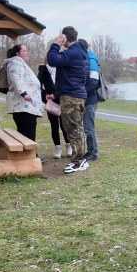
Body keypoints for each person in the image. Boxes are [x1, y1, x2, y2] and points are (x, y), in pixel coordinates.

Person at [47, 26, 90, 173]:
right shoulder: (81, 53)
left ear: (64, 37)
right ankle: (80, 160)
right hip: (77, 94)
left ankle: (78, 162)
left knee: (73, 129)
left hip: (71, 96)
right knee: (76, 128)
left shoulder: (73, 53)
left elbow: (51, 60)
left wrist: (56, 44)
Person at [4, 44, 43, 144]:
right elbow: (16, 79)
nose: (27, 52)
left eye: (27, 50)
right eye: (24, 51)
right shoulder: (16, 62)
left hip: (26, 105)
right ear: (17, 53)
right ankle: (29, 155)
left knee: (26, 130)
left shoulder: (20, 63)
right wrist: (24, 94)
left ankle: (29, 155)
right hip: (22, 105)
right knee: (27, 130)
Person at [37, 56, 67, 159]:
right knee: (54, 126)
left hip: (62, 100)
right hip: (51, 103)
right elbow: (38, 85)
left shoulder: (62, 68)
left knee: (65, 125)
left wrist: (57, 94)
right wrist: (45, 95)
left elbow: (66, 84)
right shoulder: (43, 69)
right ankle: (58, 148)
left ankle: (69, 146)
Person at [79, 39, 100, 161]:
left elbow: (93, 82)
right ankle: (89, 151)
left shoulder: (91, 61)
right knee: (86, 127)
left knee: (88, 127)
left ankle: (93, 152)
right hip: (85, 98)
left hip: (90, 100)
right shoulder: (85, 59)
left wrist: (81, 94)